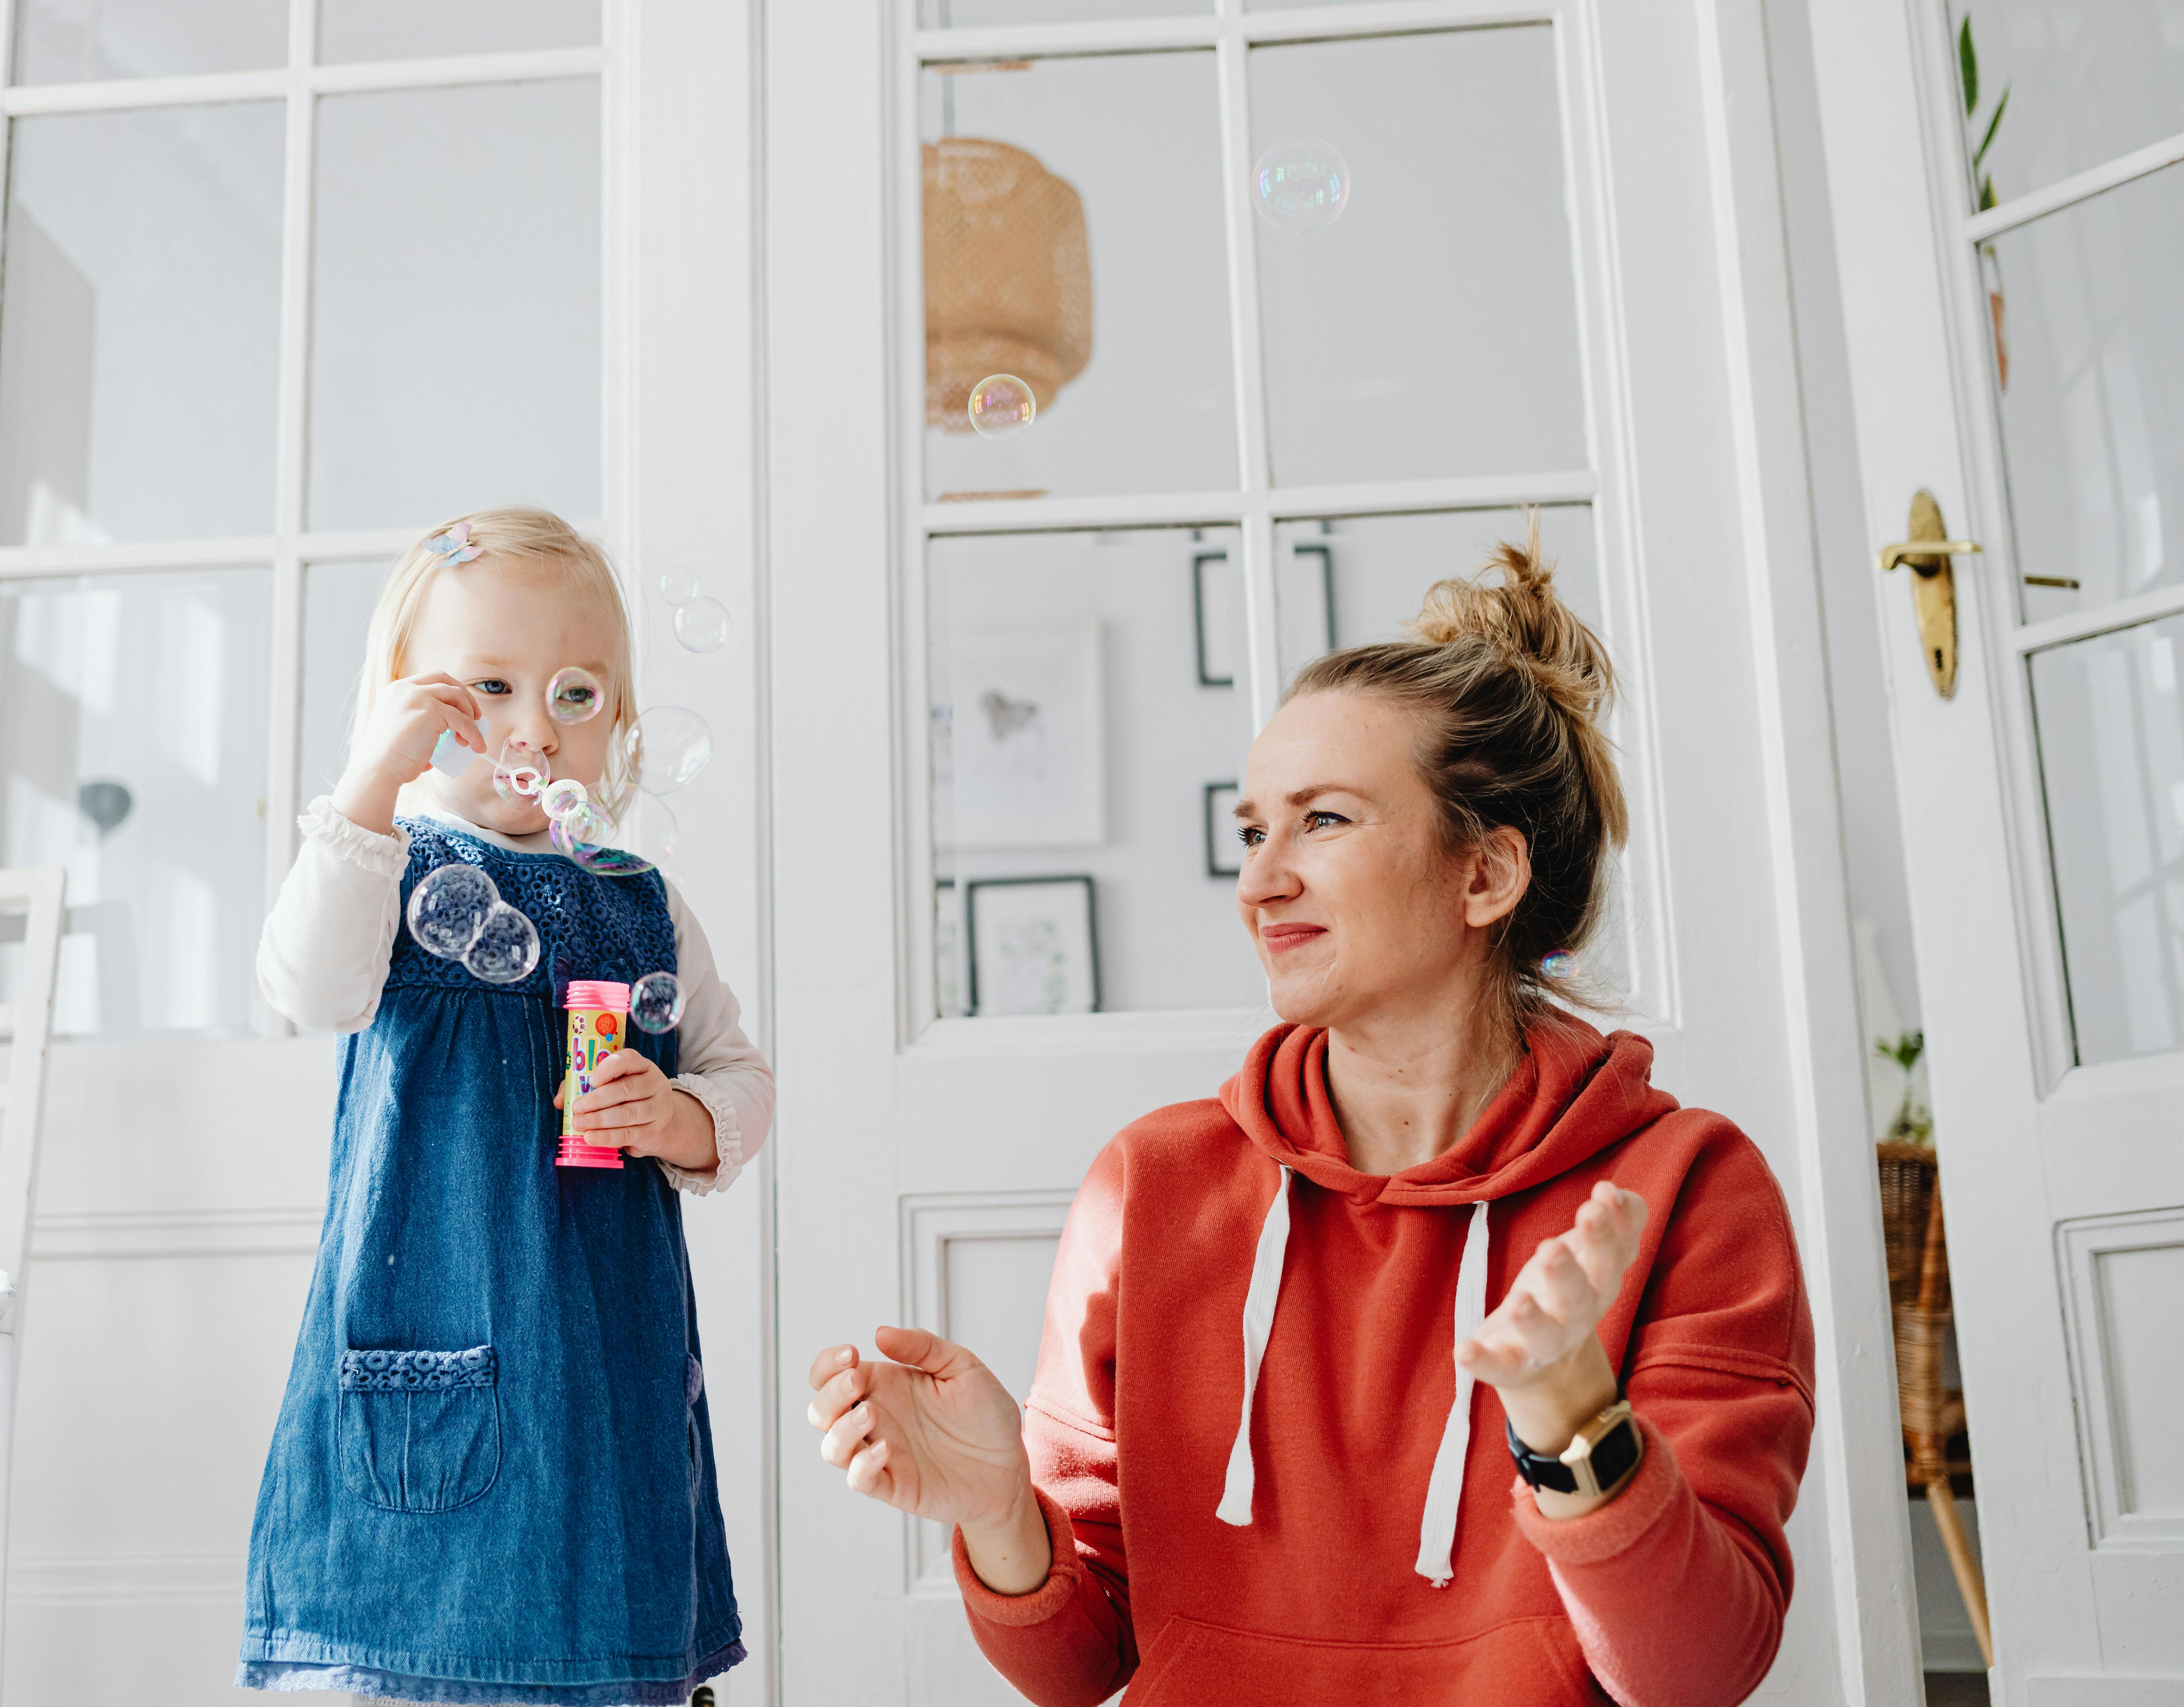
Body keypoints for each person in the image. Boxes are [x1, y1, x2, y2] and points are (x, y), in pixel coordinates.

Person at [807, 521, 1814, 1705]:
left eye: (1324, 821)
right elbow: (1083, 1666)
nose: (1259, 878)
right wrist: (995, 1510)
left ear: (1484, 875)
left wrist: (1570, 1420)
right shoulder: (1150, 1185)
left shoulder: (1687, 1187)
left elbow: (1696, 1673)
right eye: (1252, 829)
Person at [241, 507, 766, 1704]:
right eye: (491, 686)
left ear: (621, 720)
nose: (536, 729)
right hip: (435, 1353)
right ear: (412, 702)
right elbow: (307, 984)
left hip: (604, 1375)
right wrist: (372, 780)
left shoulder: (640, 905)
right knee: (417, 1662)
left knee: (612, 1638)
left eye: (577, 695)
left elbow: (739, 1074)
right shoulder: (385, 863)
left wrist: (682, 1118)